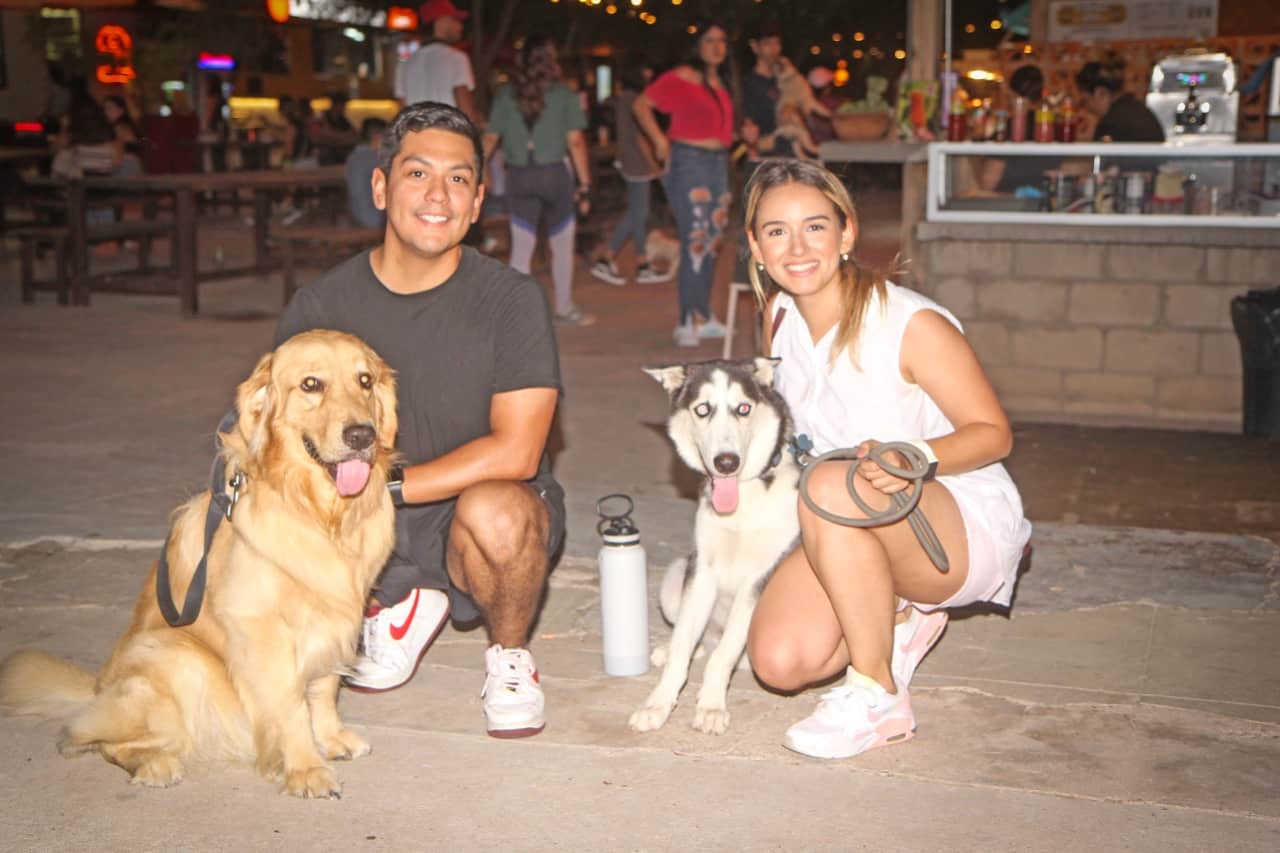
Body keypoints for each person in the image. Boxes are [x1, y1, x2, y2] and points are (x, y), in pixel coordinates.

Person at [273, 102, 565, 739]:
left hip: (468, 508)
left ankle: (510, 655)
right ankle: (399, 603)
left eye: (459, 179)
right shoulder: (322, 304)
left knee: (498, 509)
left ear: (479, 198)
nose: (439, 195)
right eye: (417, 174)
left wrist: (389, 488)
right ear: (380, 187)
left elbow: (517, 450)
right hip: (365, 516)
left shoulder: (510, 300)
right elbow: (280, 435)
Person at [742, 159, 1032, 760]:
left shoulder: (910, 324)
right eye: (776, 231)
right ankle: (900, 615)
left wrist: (916, 455)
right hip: (848, 515)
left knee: (829, 482)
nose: (796, 247)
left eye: (815, 227)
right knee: (781, 662)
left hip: (956, 523)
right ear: (756, 245)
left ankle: (877, 693)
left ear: (847, 234)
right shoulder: (778, 319)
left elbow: (993, 434)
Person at [633, 20, 736, 347]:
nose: (717, 47)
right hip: (690, 161)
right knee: (694, 237)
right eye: (709, 40)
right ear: (697, 45)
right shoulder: (683, 77)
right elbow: (641, 105)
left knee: (712, 240)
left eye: (722, 41)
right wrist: (660, 141)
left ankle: (703, 314)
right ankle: (686, 319)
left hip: (719, 164)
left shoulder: (720, 83)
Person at [484, 34, 594, 327]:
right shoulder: (564, 95)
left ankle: (514, 316)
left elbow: (491, 138)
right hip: (554, 174)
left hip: (519, 176)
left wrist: (471, 169)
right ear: (552, 61)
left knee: (522, 248)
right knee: (561, 245)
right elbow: (577, 142)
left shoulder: (505, 95)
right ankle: (564, 306)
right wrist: (585, 184)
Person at [590, 61, 667, 287]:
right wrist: (653, 164)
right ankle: (608, 257)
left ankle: (642, 263)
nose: (650, 72)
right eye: (645, 68)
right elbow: (639, 137)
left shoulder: (623, 99)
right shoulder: (636, 100)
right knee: (638, 213)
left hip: (626, 160)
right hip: (637, 162)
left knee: (638, 213)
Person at [395, 0, 478, 124]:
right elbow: (466, 111)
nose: (460, 26)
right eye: (455, 20)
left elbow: (403, 112)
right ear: (441, 22)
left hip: (417, 139)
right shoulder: (457, 58)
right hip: (449, 137)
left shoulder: (404, 65)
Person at [1076, 57, 1165, 142]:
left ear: (1101, 93)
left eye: (1086, 101)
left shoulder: (1111, 123)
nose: (1088, 109)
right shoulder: (1137, 108)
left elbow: (1101, 155)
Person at [344, 117, 387, 229]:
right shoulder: (373, 159)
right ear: (377, 137)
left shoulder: (354, 157)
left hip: (358, 215)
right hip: (374, 219)